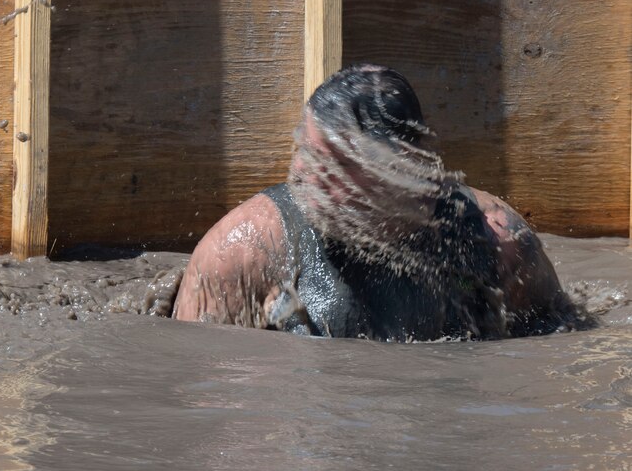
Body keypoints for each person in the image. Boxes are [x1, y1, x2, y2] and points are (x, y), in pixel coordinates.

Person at [172, 64, 586, 340]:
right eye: (303, 150)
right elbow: (200, 385)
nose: (299, 173)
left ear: (399, 171)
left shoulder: (498, 242)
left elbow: (557, 346)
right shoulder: (245, 249)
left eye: (327, 163)